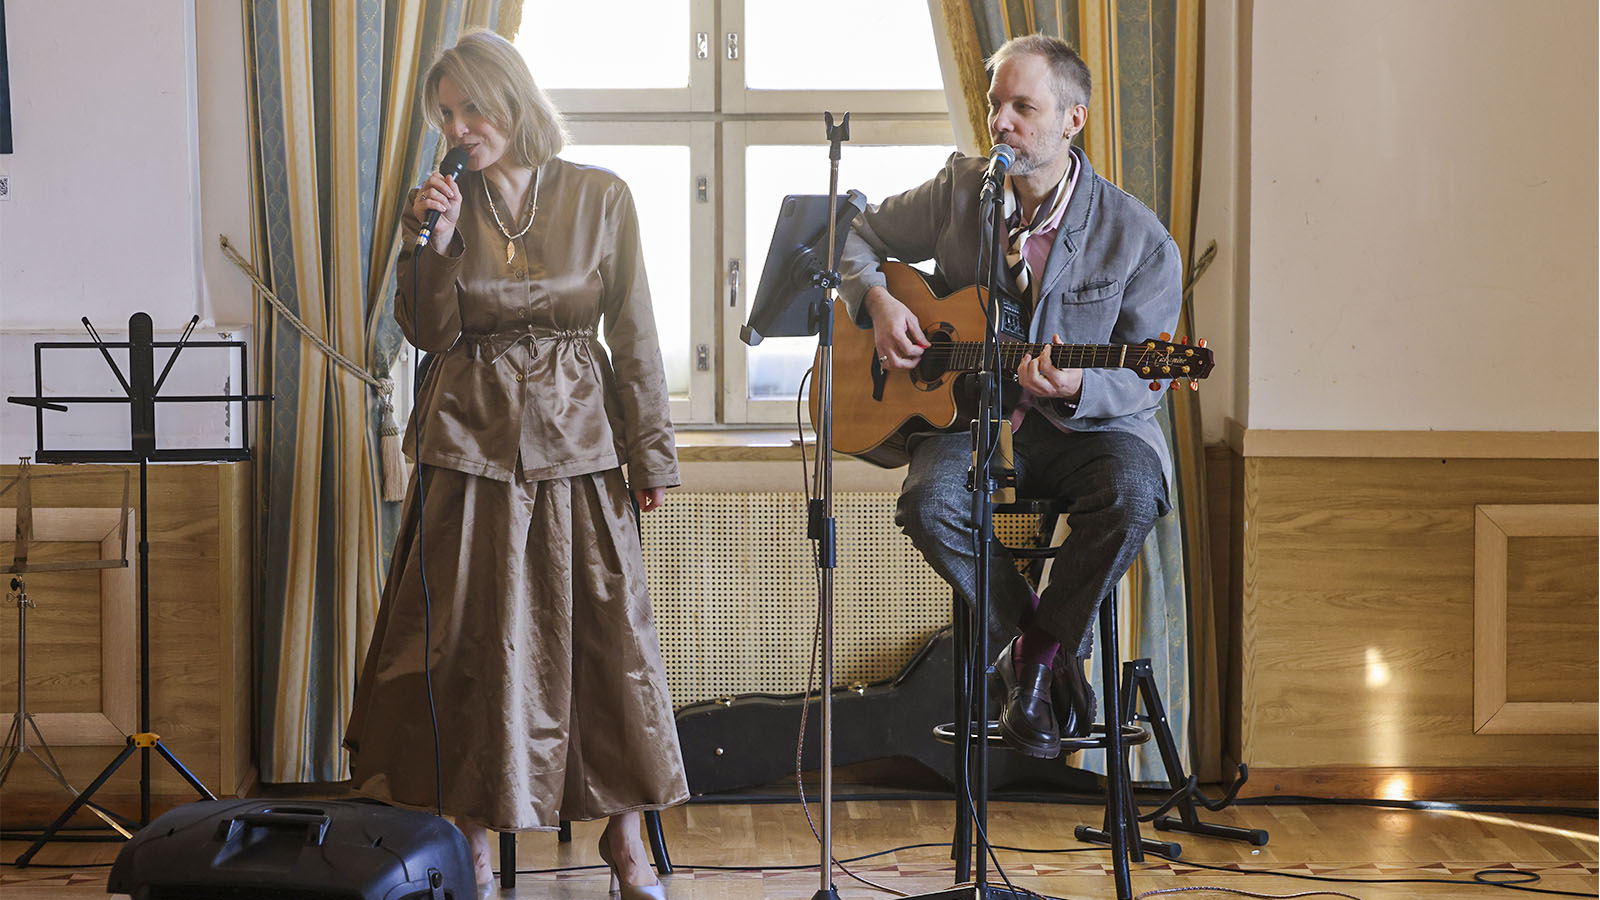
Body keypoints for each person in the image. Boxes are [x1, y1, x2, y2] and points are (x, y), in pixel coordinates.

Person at [344, 29, 682, 900]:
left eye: (470, 109)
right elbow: (427, 331)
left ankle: (626, 840)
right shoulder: (438, 209)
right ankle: (472, 847)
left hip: (581, 448)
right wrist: (435, 242)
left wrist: (650, 453)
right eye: (445, 115)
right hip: (469, 447)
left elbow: (634, 331)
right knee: (469, 645)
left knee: (607, 643)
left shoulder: (602, 196)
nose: (458, 129)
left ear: (512, 98)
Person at [838, 34, 1181, 761]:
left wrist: (1082, 382)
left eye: (1023, 107)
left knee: (1134, 491)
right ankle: (1042, 653)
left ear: (1072, 120)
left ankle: (1033, 662)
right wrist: (877, 301)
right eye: (996, 105)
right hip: (975, 416)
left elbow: (1146, 373)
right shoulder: (959, 191)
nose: (1000, 122)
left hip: (1088, 430)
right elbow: (855, 236)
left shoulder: (1138, 237)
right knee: (929, 505)